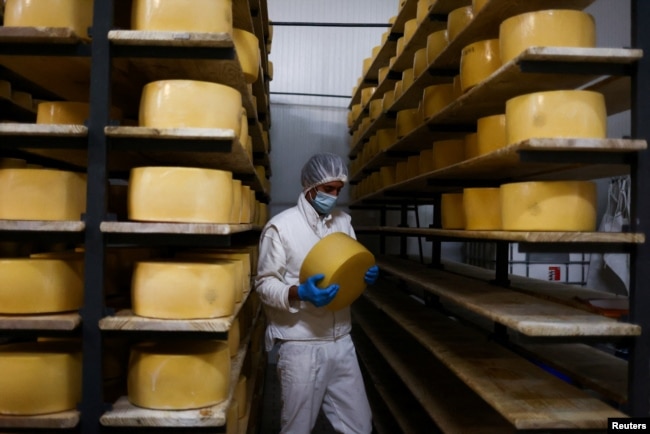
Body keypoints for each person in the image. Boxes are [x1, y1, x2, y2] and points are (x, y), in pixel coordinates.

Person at [255, 152, 379, 434]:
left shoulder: (343, 223)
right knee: (297, 428)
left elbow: (350, 265)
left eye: (338, 190)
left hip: (341, 340)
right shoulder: (281, 228)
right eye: (327, 189)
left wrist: (365, 274)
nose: (334, 196)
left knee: (359, 426)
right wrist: (299, 292)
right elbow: (264, 284)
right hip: (301, 344)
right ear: (310, 187)